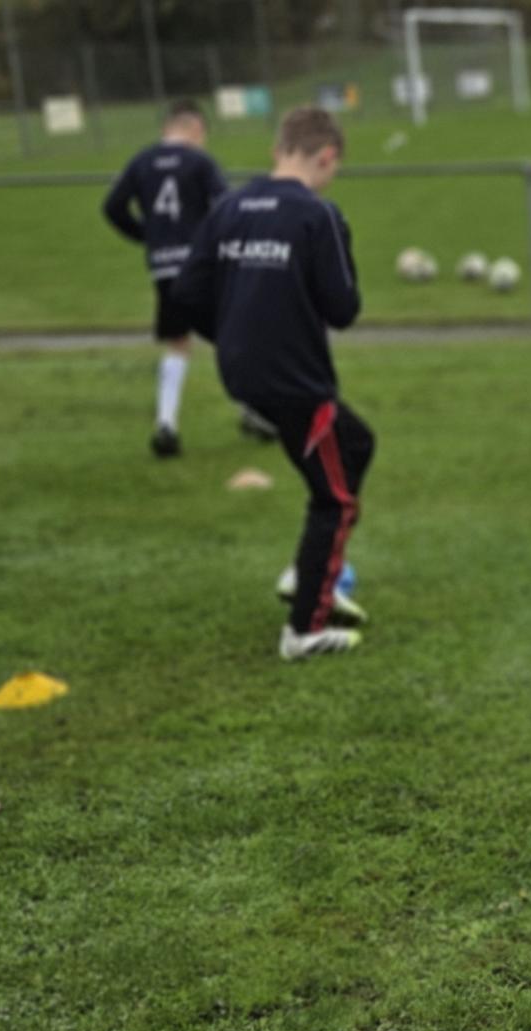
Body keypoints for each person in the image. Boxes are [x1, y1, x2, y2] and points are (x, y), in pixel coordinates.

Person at [171, 106, 372, 662]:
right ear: (327, 157)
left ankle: (307, 572)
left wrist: (234, 335)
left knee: (357, 444)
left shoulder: (229, 207)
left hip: (243, 374)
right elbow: (343, 309)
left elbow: (186, 292)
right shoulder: (319, 215)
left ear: (277, 150)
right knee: (335, 499)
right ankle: (303, 628)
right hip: (296, 381)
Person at [102, 99, 226, 459]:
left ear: (165, 130)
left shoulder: (142, 162)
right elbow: (224, 207)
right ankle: (258, 413)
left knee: (178, 344)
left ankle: (166, 423)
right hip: (200, 267)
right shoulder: (200, 162)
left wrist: (147, 234)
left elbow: (112, 207)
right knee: (233, 336)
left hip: (163, 267)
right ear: (197, 130)